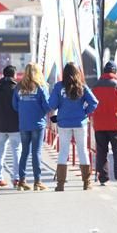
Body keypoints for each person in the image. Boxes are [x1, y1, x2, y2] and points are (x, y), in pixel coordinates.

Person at [49, 63, 98, 191]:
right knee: (83, 151)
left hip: (63, 123)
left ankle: (60, 184)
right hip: (80, 123)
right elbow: (94, 102)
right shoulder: (82, 86)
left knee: (63, 152)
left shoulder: (59, 87)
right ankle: (86, 183)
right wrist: (85, 112)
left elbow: (52, 104)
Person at [12, 62, 51, 191]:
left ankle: (21, 181)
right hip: (38, 124)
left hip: (23, 124)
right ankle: (37, 181)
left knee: (24, 152)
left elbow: (15, 106)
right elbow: (47, 106)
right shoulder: (40, 87)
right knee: (36, 153)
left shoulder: (18, 87)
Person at [91, 61, 117, 187]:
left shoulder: (95, 85)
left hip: (99, 124)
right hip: (115, 123)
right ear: (115, 71)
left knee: (101, 151)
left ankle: (103, 178)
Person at [0, 65, 22, 188]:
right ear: (14, 75)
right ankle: (16, 179)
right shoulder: (17, 89)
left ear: (3, 74)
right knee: (16, 151)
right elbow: (21, 109)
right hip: (15, 126)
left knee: (0, 151)